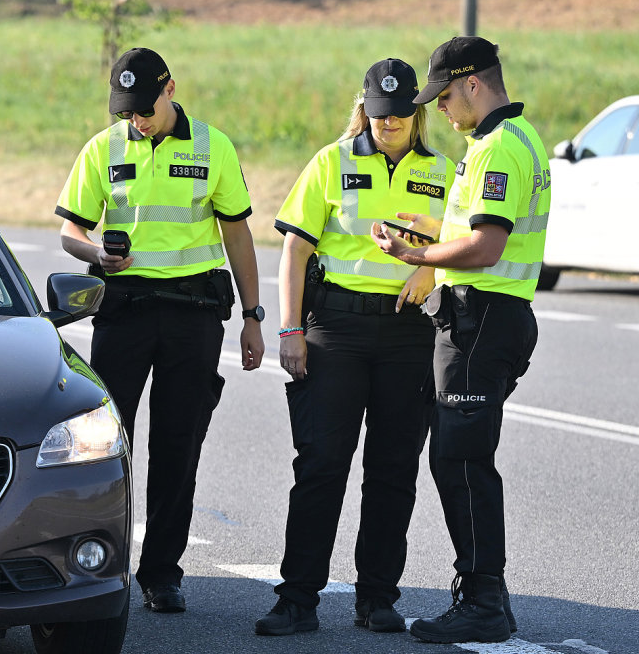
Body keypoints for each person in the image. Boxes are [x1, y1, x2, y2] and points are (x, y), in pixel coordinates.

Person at [54, 47, 265, 614]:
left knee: (179, 445)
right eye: (126, 111)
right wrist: (96, 250)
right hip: (124, 311)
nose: (136, 120)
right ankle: (101, 562)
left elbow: (238, 235)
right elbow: (71, 230)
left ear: (170, 88)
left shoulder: (212, 145)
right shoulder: (105, 147)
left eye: (143, 108)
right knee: (105, 445)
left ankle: (161, 573)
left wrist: (252, 315)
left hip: (193, 316)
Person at [254, 59, 455, 636]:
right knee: (320, 466)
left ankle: (377, 598)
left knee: (393, 469)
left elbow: (467, 244)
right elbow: (295, 249)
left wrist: (433, 273)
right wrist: (290, 329)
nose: (388, 124)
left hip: (407, 333)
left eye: (400, 114)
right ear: (363, 107)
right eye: (379, 112)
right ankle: (297, 600)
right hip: (336, 330)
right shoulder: (331, 161)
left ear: (417, 112)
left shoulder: (445, 172)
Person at [372, 36, 548, 644]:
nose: (440, 111)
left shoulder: (499, 149)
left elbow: (486, 246)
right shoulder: (506, 140)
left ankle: (483, 601)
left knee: (463, 462)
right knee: (456, 457)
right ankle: (483, 594)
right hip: (486, 319)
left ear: (474, 84)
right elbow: (475, 228)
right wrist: (435, 227)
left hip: (482, 320)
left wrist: (415, 252)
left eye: (445, 97)